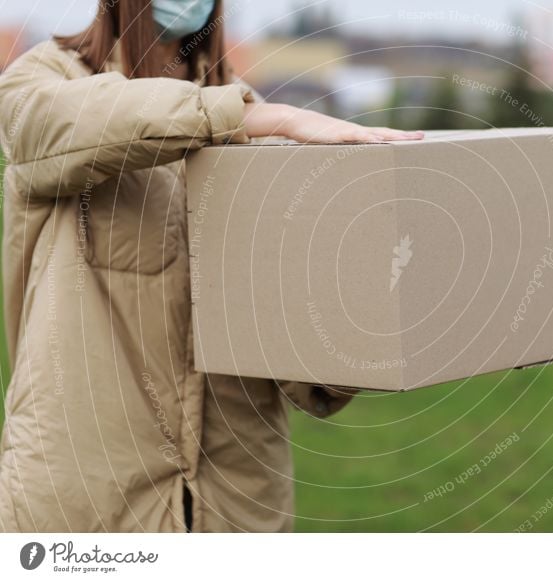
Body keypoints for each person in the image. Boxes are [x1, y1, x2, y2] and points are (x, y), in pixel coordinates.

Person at [0, 0, 423, 533]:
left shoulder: (258, 116)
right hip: (87, 497)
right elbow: (56, 127)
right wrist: (251, 117)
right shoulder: (43, 81)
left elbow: (292, 349)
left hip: (237, 498)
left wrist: (370, 308)